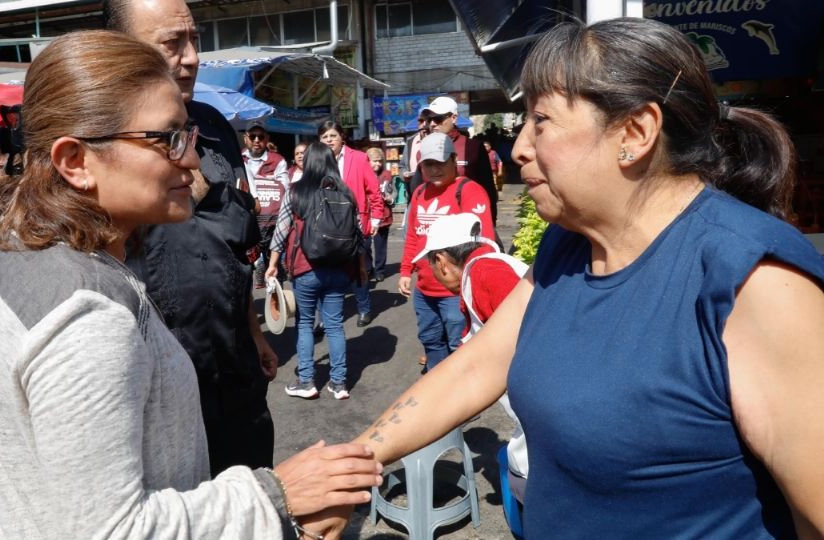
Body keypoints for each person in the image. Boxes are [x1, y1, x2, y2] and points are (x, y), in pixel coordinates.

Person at [306, 17, 824, 539]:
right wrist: (347, 471)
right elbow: (478, 366)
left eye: (541, 121)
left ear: (636, 133)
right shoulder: (570, 245)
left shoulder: (757, 280)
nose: (520, 148)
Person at [0, 31, 382, 539]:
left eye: (190, 136)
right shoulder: (86, 315)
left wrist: (13, 474)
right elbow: (115, 531)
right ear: (75, 161)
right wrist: (274, 494)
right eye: (168, 138)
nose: (192, 161)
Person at [105, 0, 280, 476]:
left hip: (236, 374)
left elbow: (234, 247)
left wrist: (253, 331)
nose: (191, 57)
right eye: (171, 43)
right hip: (158, 393)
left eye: (194, 40)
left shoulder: (218, 128)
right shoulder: (101, 144)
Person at [416, 212, 529, 502]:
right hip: (539, 409)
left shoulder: (483, 273)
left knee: (527, 481)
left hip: (543, 413)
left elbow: (530, 330)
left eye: (430, 263)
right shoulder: (484, 268)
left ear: (440, 261)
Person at [265, 143, 365, 401]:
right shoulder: (347, 193)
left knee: (305, 324)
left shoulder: (297, 192)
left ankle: (307, 381)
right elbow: (358, 234)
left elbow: (282, 229)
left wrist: (273, 263)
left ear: (307, 162)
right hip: (340, 268)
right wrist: (361, 269)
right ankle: (339, 383)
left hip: (306, 268)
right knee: (334, 326)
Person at [398, 132, 494, 372]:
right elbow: (414, 236)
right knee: (431, 342)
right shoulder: (419, 193)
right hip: (424, 290)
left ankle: (465, 401)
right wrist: (405, 271)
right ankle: (438, 389)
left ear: (454, 160)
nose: (434, 169)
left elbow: (483, 243)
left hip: (455, 291)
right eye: (428, 164)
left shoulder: (470, 191)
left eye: (440, 162)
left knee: (460, 346)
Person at [318, 121, 384, 327]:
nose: (329, 140)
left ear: (342, 137)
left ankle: (364, 308)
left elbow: (374, 190)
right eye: (325, 137)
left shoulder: (359, 157)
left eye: (332, 136)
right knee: (325, 271)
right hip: (326, 223)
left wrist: (375, 217)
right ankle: (324, 318)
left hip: (355, 222)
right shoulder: (319, 159)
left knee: (358, 268)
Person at [422, 96, 498, 224]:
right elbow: (417, 190)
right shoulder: (423, 148)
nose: (432, 123)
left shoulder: (473, 147)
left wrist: (490, 222)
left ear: (454, 118)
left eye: (438, 118)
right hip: (432, 223)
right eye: (429, 119)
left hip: (467, 224)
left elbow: (488, 188)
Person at [243, 123, 289, 288]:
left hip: (271, 224)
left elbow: (284, 187)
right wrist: (268, 181)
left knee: (275, 269)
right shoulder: (237, 158)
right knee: (244, 269)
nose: (257, 140)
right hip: (245, 224)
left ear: (267, 139)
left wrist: (255, 181)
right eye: (253, 136)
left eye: (261, 137)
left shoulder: (278, 160)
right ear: (245, 138)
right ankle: (248, 308)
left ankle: (278, 305)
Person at [366, 147, 395, 282]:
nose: (377, 164)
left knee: (380, 246)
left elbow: (392, 191)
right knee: (365, 245)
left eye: (379, 161)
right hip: (366, 215)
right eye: (374, 161)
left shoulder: (387, 174)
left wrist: (391, 198)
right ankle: (367, 268)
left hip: (383, 215)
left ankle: (379, 270)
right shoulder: (362, 173)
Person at [398, 115, 429, 228]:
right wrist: (404, 174)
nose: (424, 124)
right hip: (413, 194)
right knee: (409, 230)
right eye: (421, 121)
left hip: (432, 194)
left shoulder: (438, 141)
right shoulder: (411, 141)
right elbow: (402, 166)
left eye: (427, 121)